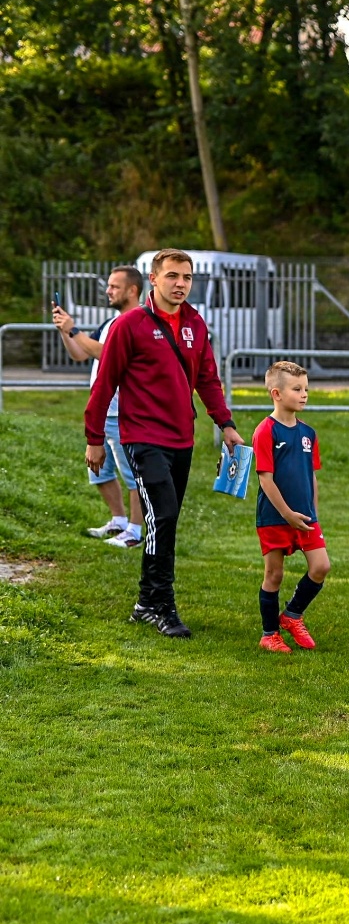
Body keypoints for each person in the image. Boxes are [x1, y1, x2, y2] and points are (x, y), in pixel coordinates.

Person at [84, 248, 244, 638]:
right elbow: (104, 384)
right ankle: (164, 608)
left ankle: (144, 602)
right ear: (152, 280)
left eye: (187, 278)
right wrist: (94, 440)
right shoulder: (130, 325)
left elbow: (208, 379)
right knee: (164, 515)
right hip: (141, 436)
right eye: (172, 276)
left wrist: (225, 423)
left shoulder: (195, 324)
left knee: (163, 521)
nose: (180, 284)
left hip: (181, 438)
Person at [53, 267, 144, 548]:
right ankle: (118, 520)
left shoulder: (137, 322)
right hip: (102, 411)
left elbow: (106, 354)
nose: (108, 291)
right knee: (99, 471)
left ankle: (135, 531)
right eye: (109, 286)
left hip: (123, 412)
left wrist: (74, 329)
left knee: (132, 475)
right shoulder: (109, 323)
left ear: (132, 290)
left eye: (115, 286)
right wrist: (65, 332)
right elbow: (82, 353)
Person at [252, 362, 330, 654]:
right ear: (276, 393)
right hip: (274, 516)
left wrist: (314, 512)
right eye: (297, 389)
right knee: (274, 574)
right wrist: (286, 514)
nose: (304, 394)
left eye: (306, 388)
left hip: (306, 517)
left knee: (321, 566)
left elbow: (311, 476)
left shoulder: (309, 433)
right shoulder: (265, 431)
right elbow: (266, 480)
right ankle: (269, 634)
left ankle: (292, 615)